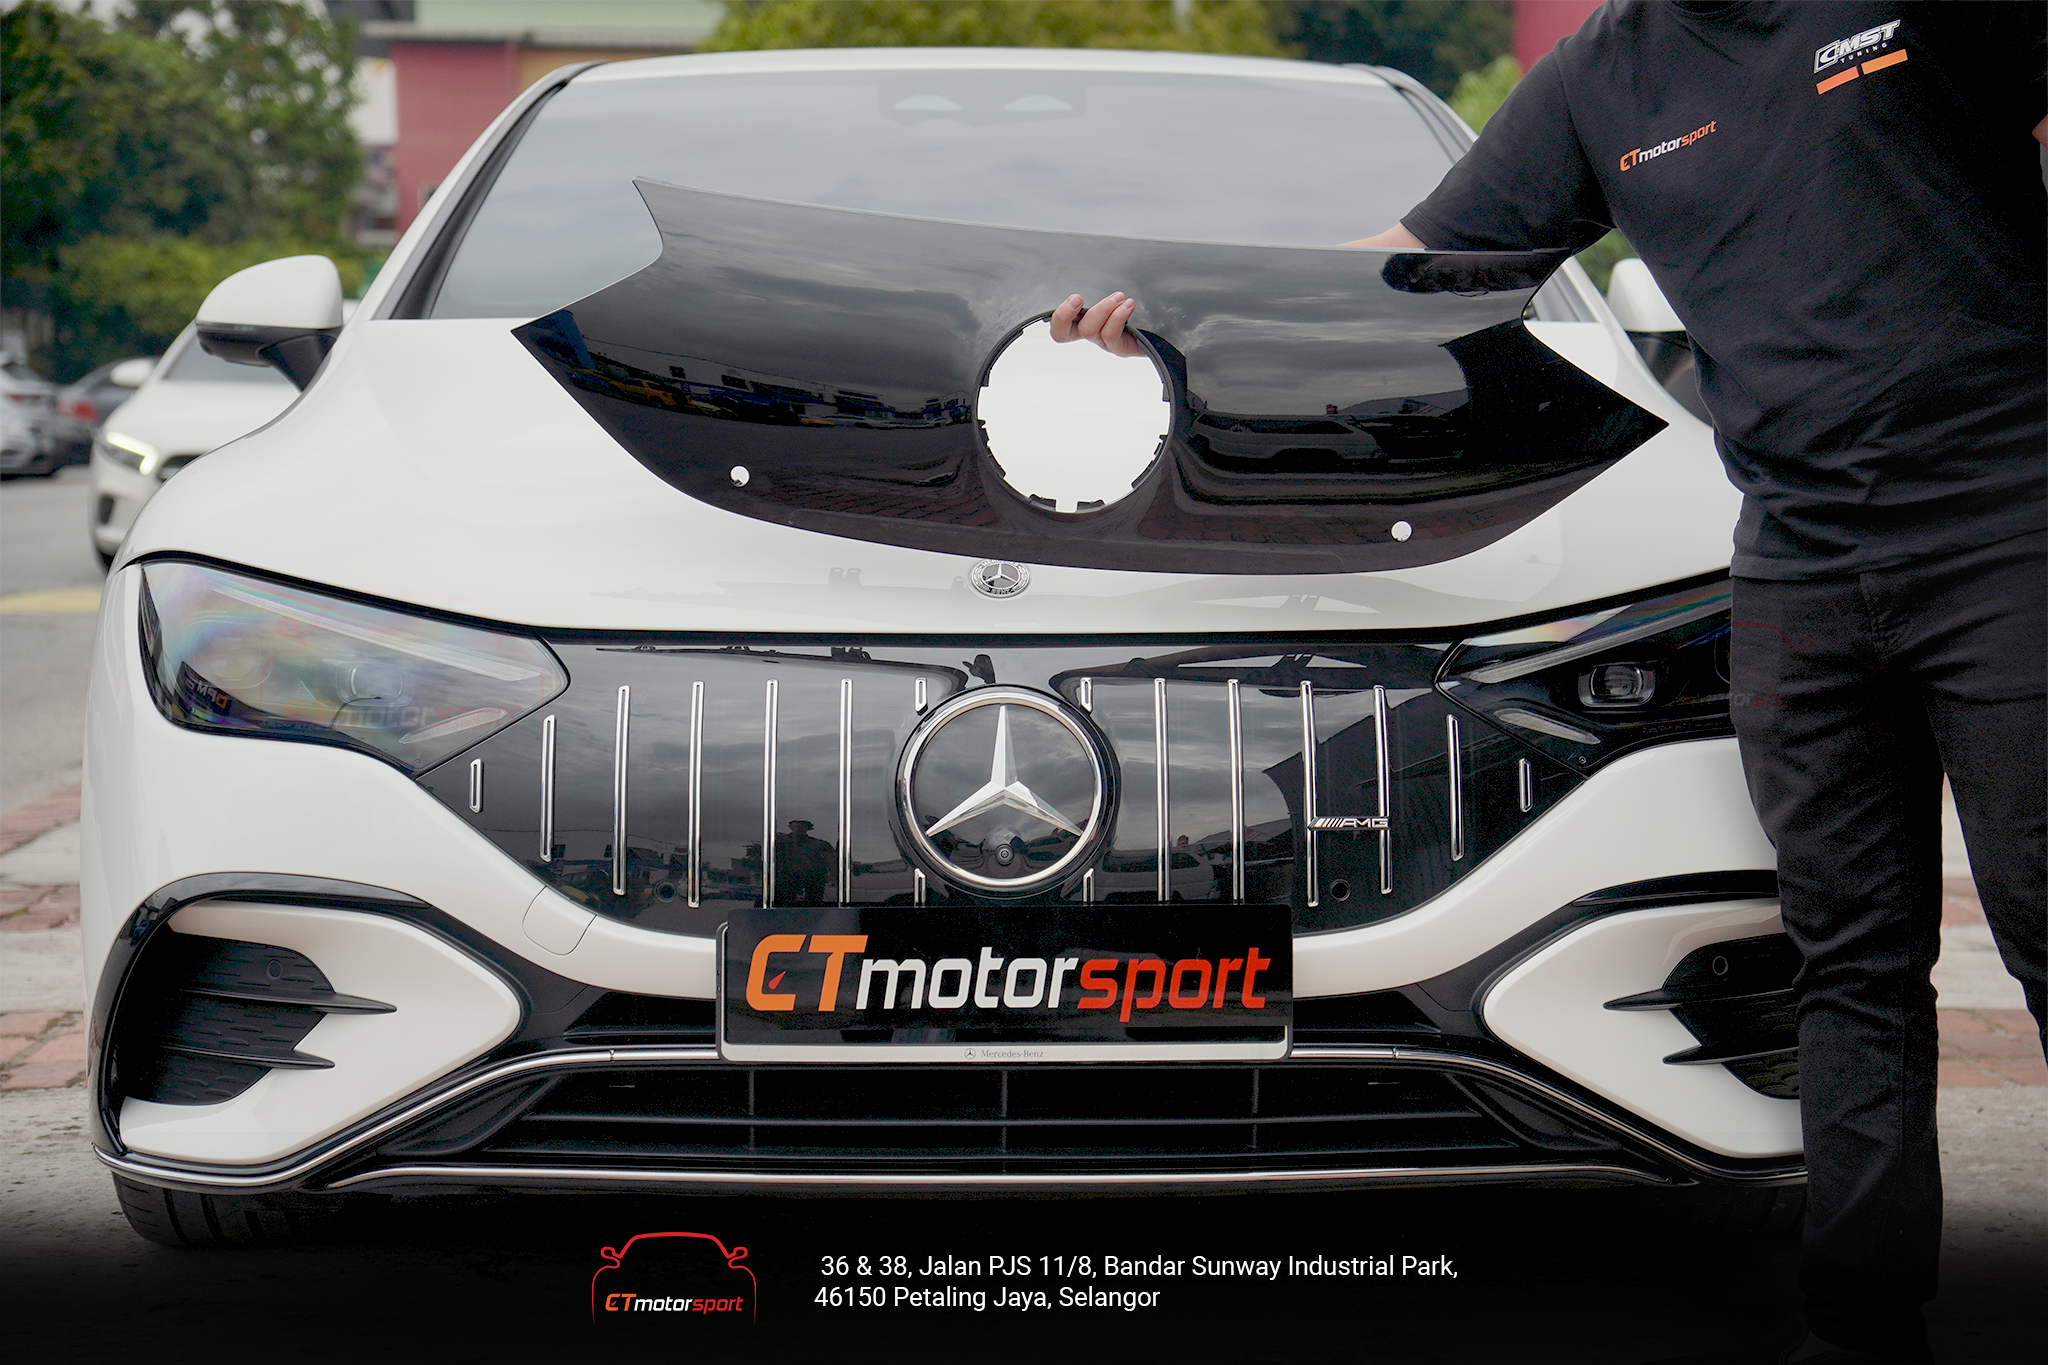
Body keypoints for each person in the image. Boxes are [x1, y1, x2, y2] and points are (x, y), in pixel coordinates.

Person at [1057, 5, 2045, 1363]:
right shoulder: (1599, 77)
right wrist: (1168, 310)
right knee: (1849, 960)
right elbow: (1411, 270)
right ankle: (1863, 1326)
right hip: (1801, 568)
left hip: (2011, 531)